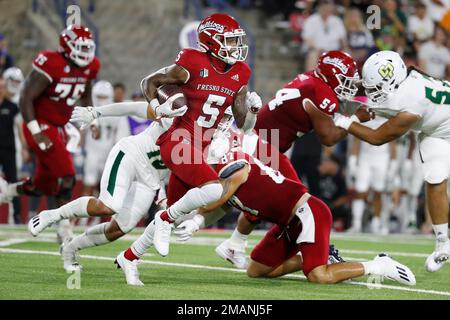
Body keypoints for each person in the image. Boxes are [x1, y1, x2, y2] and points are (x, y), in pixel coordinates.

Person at [114, 147, 416, 287]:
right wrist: (196, 222)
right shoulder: (223, 181)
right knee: (257, 271)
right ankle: (315, 258)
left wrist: (189, 214)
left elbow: (222, 193)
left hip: (306, 212)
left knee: (318, 277)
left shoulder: (233, 165)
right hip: (289, 223)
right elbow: (226, 204)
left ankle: (378, 264)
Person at [216, 50, 363, 269]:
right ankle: (321, 250)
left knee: (269, 200)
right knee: (299, 199)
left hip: (263, 141)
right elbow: (329, 138)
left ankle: (235, 244)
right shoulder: (319, 90)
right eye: (345, 79)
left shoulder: (311, 79)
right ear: (331, 75)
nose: (348, 85)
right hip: (263, 145)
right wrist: (356, 118)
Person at [140, 13, 259, 257]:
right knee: (214, 189)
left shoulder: (240, 72)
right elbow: (148, 83)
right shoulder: (193, 61)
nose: (236, 47)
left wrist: (254, 111)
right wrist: (157, 108)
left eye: (237, 41)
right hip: (178, 141)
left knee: (177, 211)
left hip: (201, 148)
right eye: (230, 41)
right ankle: (163, 218)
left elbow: (243, 124)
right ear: (212, 41)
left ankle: (130, 256)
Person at [334, 50, 450, 273]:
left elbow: (378, 138)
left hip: (443, 125)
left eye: (376, 88)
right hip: (436, 132)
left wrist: (345, 122)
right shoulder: (406, 81)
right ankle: (443, 244)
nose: (372, 93)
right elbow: (377, 102)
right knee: (435, 180)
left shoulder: (410, 103)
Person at [29, 99, 170, 272]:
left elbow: (177, 164)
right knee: (108, 205)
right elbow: (132, 107)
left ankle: (70, 248)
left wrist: (162, 188)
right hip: (132, 156)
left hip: (152, 177)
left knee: (119, 229)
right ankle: (52, 215)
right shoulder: (174, 112)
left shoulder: (205, 136)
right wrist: (96, 112)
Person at [0, 25, 100, 243]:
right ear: (67, 46)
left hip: (58, 128)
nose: (85, 52)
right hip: (38, 124)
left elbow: (86, 92)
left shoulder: (90, 66)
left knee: (44, 185)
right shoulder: (51, 62)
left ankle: (9, 191)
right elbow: (25, 97)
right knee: (67, 175)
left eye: (87, 47)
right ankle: (64, 228)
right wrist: (36, 132)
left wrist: (92, 117)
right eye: (80, 47)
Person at [347, 117, 397, 234]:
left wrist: (393, 163)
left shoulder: (387, 119)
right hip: (365, 159)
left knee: (378, 192)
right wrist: (353, 160)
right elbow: (357, 140)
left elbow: (392, 142)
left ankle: (376, 223)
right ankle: (356, 224)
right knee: (360, 191)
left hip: (381, 160)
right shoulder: (366, 117)